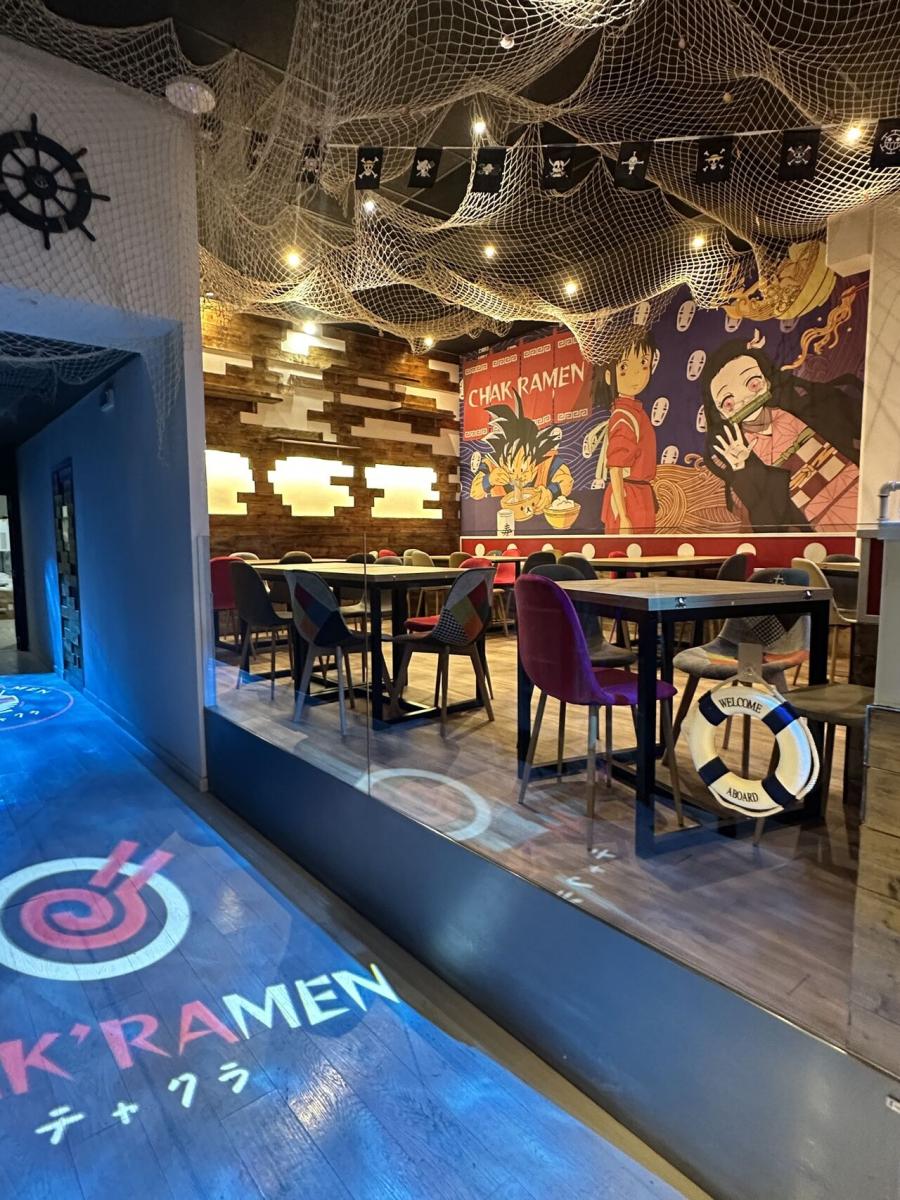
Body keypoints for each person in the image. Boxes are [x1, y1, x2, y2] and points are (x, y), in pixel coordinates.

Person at [699, 340, 862, 532]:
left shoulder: (808, 408)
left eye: (753, 384)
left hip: (862, 495)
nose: (744, 400)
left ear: (767, 382)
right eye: (728, 402)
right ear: (721, 413)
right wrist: (742, 470)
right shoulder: (741, 457)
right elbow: (768, 526)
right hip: (825, 530)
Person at [583, 327, 657, 535]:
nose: (636, 373)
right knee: (627, 553)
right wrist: (624, 516)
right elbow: (615, 469)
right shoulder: (623, 417)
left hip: (639, 495)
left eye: (643, 363)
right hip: (628, 497)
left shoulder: (634, 412)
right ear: (609, 376)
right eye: (624, 367)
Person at [469, 392, 573, 521]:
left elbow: (567, 481)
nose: (517, 476)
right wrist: (489, 479)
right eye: (511, 469)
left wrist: (551, 493)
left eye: (523, 469)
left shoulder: (548, 461)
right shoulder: (492, 464)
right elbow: (474, 492)